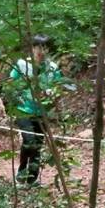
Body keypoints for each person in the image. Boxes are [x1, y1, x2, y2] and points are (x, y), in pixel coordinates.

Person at [9, 34, 65, 186]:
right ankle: (21, 174)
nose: (41, 51)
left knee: (38, 145)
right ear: (32, 48)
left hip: (42, 112)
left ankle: (32, 179)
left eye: (44, 47)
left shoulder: (52, 68)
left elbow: (58, 88)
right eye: (38, 47)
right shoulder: (22, 65)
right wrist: (17, 96)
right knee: (29, 141)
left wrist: (51, 94)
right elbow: (11, 83)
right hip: (23, 110)